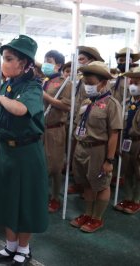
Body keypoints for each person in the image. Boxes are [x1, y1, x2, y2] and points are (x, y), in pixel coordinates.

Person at [0, 35, 48, 265]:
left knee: (25, 202)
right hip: (7, 151)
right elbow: (0, 125)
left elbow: (22, 109)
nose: (4, 63)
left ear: (24, 63)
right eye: (4, 58)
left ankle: (24, 248)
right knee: (7, 200)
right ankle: (10, 246)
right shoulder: (7, 84)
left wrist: (2, 99)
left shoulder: (33, 86)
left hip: (26, 154)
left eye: (9, 58)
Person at [70, 61, 122, 233]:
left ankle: (97, 218)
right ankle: (87, 213)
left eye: (91, 83)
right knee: (87, 183)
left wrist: (109, 160)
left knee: (101, 184)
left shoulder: (111, 104)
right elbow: (79, 125)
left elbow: (114, 133)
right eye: (85, 83)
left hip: (98, 150)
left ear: (103, 83)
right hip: (82, 148)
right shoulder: (86, 102)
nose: (87, 86)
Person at [69, 46, 104, 195]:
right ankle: (79, 182)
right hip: (77, 120)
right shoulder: (80, 79)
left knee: (88, 159)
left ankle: (87, 188)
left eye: (82, 60)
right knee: (76, 155)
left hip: (89, 123)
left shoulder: (96, 83)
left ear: (92, 61)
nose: (79, 63)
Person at [42, 50, 72, 213]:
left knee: (55, 166)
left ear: (58, 65)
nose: (45, 63)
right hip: (41, 128)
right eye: (45, 60)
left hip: (55, 129)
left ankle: (55, 198)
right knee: (42, 163)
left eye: (49, 61)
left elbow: (67, 106)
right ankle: (43, 194)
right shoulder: (44, 81)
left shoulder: (65, 83)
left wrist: (46, 97)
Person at [115, 67, 140, 214]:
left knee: (139, 172)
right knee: (127, 171)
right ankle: (128, 197)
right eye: (132, 82)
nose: (133, 86)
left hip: (139, 141)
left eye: (137, 83)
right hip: (127, 140)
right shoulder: (126, 102)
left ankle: (137, 200)